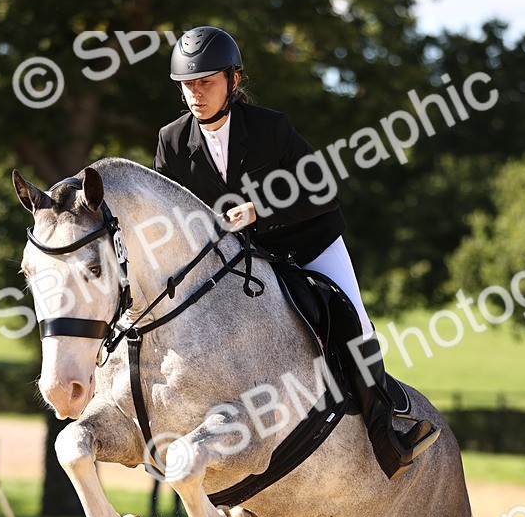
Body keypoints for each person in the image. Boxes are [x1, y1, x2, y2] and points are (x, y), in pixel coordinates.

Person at [153, 25, 439, 479]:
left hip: (306, 241)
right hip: (238, 257)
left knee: (353, 320)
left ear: (234, 79)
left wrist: (258, 208)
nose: (195, 94)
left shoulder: (271, 127)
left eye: (206, 82)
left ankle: (389, 434)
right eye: (188, 85)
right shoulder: (172, 141)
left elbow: (321, 189)